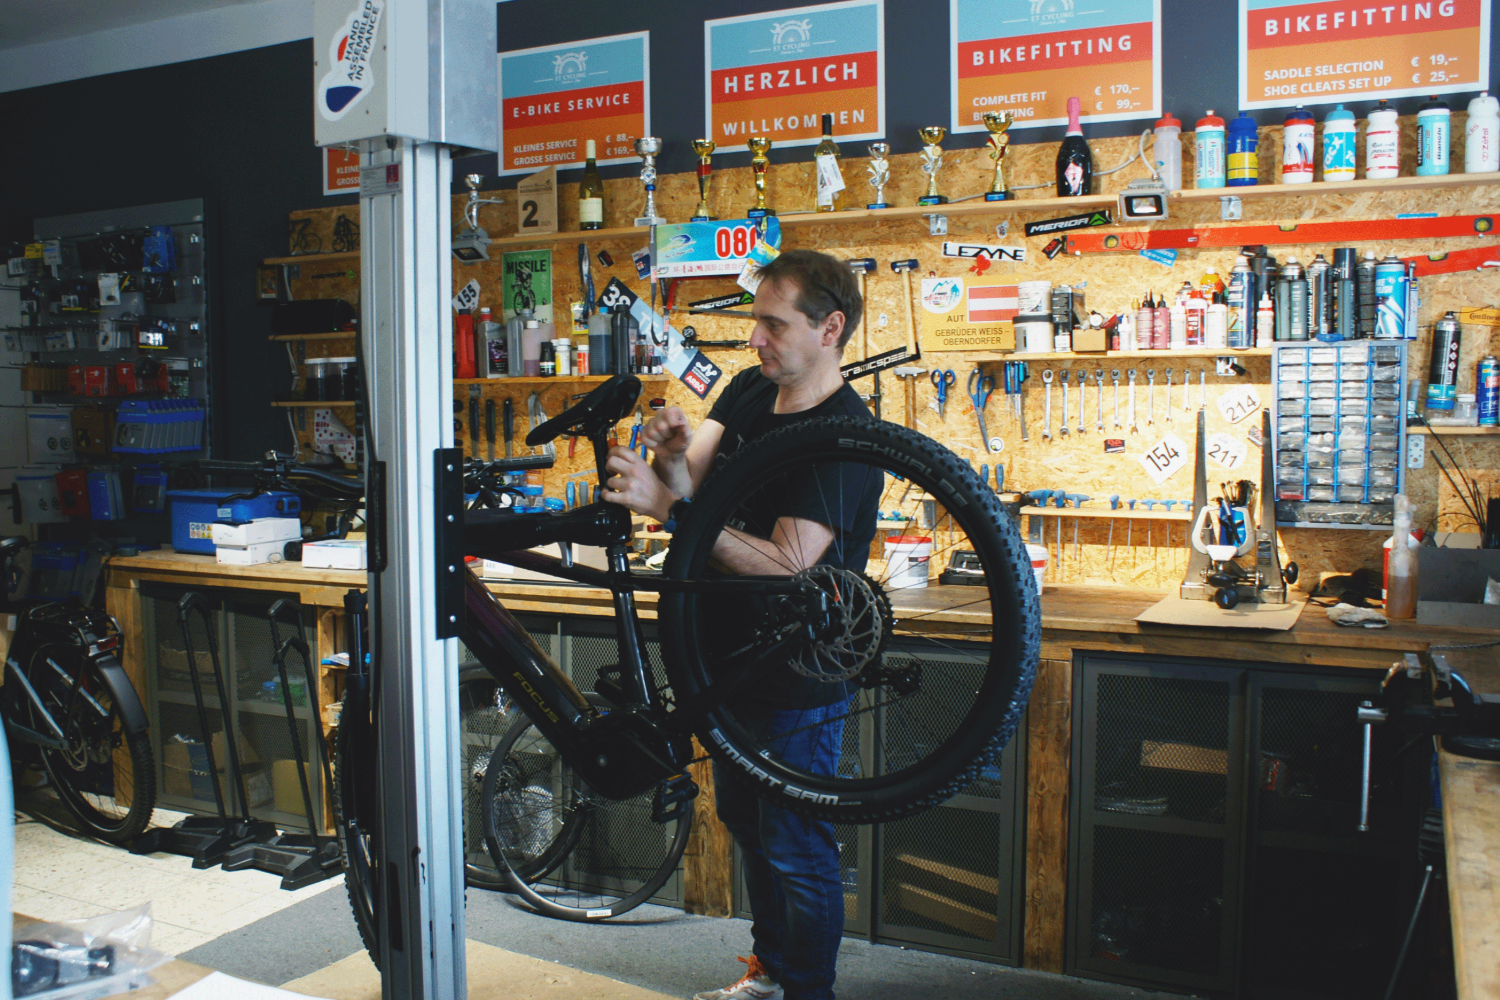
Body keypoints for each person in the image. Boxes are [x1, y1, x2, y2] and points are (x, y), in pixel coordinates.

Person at [600, 249, 879, 1000]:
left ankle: (805, 991)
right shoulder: (752, 389)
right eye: (756, 320)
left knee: (795, 840)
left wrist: (670, 506)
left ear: (831, 328)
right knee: (749, 825)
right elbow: (691, 479)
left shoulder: (845, 435)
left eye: (772, 323)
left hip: (798, 670)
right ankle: (771, 977)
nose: (754, 338)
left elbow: (790, 563)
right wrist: (666, 462)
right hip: (725, 656)